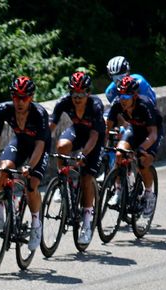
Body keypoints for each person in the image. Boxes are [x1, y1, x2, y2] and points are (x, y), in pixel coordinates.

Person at [0, 76, 51, 252]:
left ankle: (36, 224)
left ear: (31, 98)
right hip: (20, 143)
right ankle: (0, 219)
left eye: (23, 97)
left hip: (39, 147)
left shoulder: (39, 114)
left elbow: (40, 145)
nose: (19, 101)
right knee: (4, 169)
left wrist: (30, 166)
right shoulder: (4, 109)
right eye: (15, 96)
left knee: (31, 185)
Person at [49, 71, 106, 247]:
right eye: (74, 93)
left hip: (94, 138)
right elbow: (50, 127)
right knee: (61, 147)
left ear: (88, 93)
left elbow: (95, 136)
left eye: (81, 94)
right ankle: (63, 181)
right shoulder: (64, 102)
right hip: (78, 131)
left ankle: (87, 223)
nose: (77, 97)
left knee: (86, 178)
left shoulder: (95, 106)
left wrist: (83, 154)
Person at [106, 74, 162, 214]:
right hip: (134, 129)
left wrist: (142, 148)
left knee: (143, 163)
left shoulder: (145, 105)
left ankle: (149, 194)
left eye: (126, 97)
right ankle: (118, 191)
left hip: (151, 132)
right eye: (120, 96)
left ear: (135, 96)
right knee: (119, 154)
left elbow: (153, 134)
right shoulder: (117, 104)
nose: (123, 100)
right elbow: (107, 128)